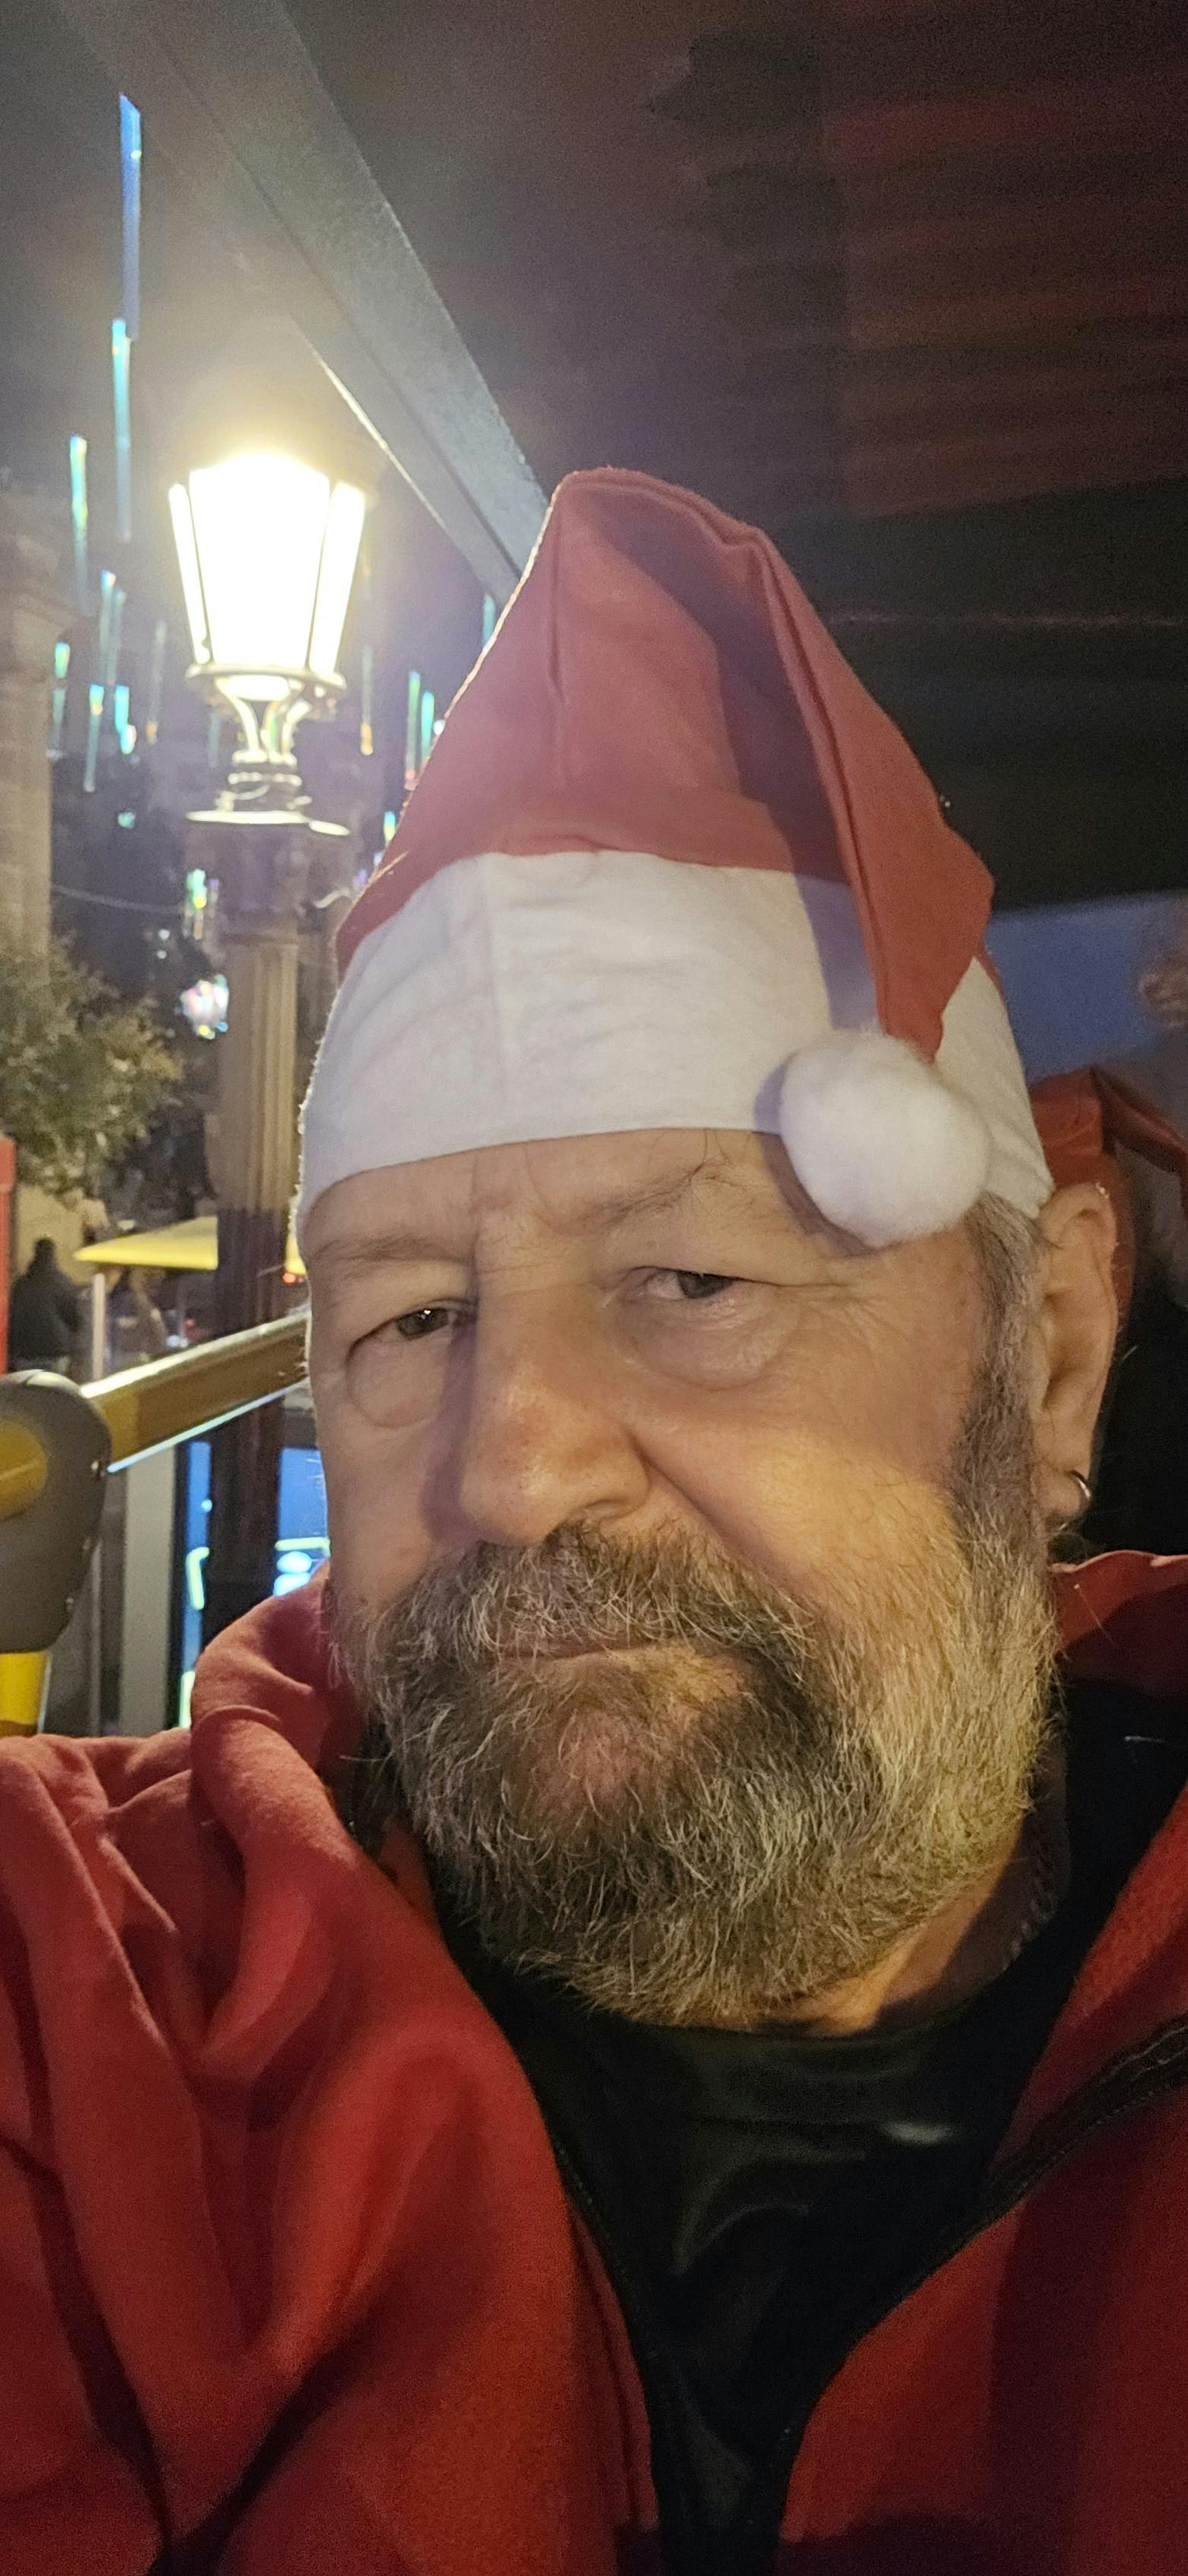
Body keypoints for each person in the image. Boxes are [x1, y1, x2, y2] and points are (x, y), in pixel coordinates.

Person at [1, 469, 1186, 2576]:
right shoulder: (79, 2005)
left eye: (690, 1282)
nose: (508, 1466)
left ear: (1053, 1361)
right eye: (411, 1317)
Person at [6, 1233, 83, 1372]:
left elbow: (13, 1318)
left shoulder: (22, 1284)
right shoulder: (64, 1283)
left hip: (26, 1351)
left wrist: (12, 1351)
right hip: (56, 1350)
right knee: (54, 1385)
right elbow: (74, 1318)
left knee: (28, 1386)